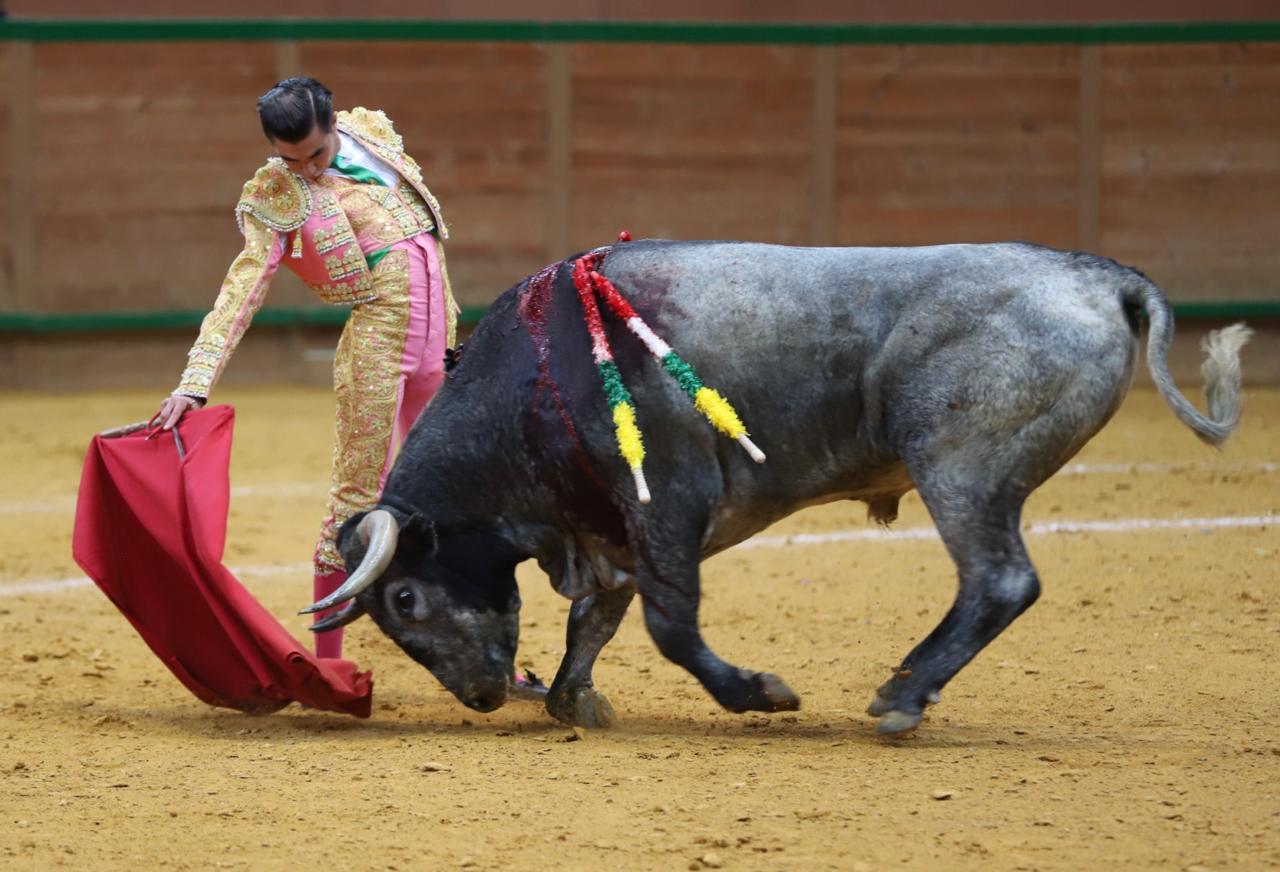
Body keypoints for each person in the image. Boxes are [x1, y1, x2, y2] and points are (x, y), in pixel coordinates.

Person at [152, 77, 459, 660]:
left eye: (316, 153)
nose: (308, 170)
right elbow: (241, 289)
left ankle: (470, 644)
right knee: (356, 493)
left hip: (438, 342)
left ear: (336, 124)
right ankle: (329, 663)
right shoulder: (277, 192)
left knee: (445, 492)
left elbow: (425, 242)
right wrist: (195, 382)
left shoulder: (373, 135)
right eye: (290, 158)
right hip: (377, 349)